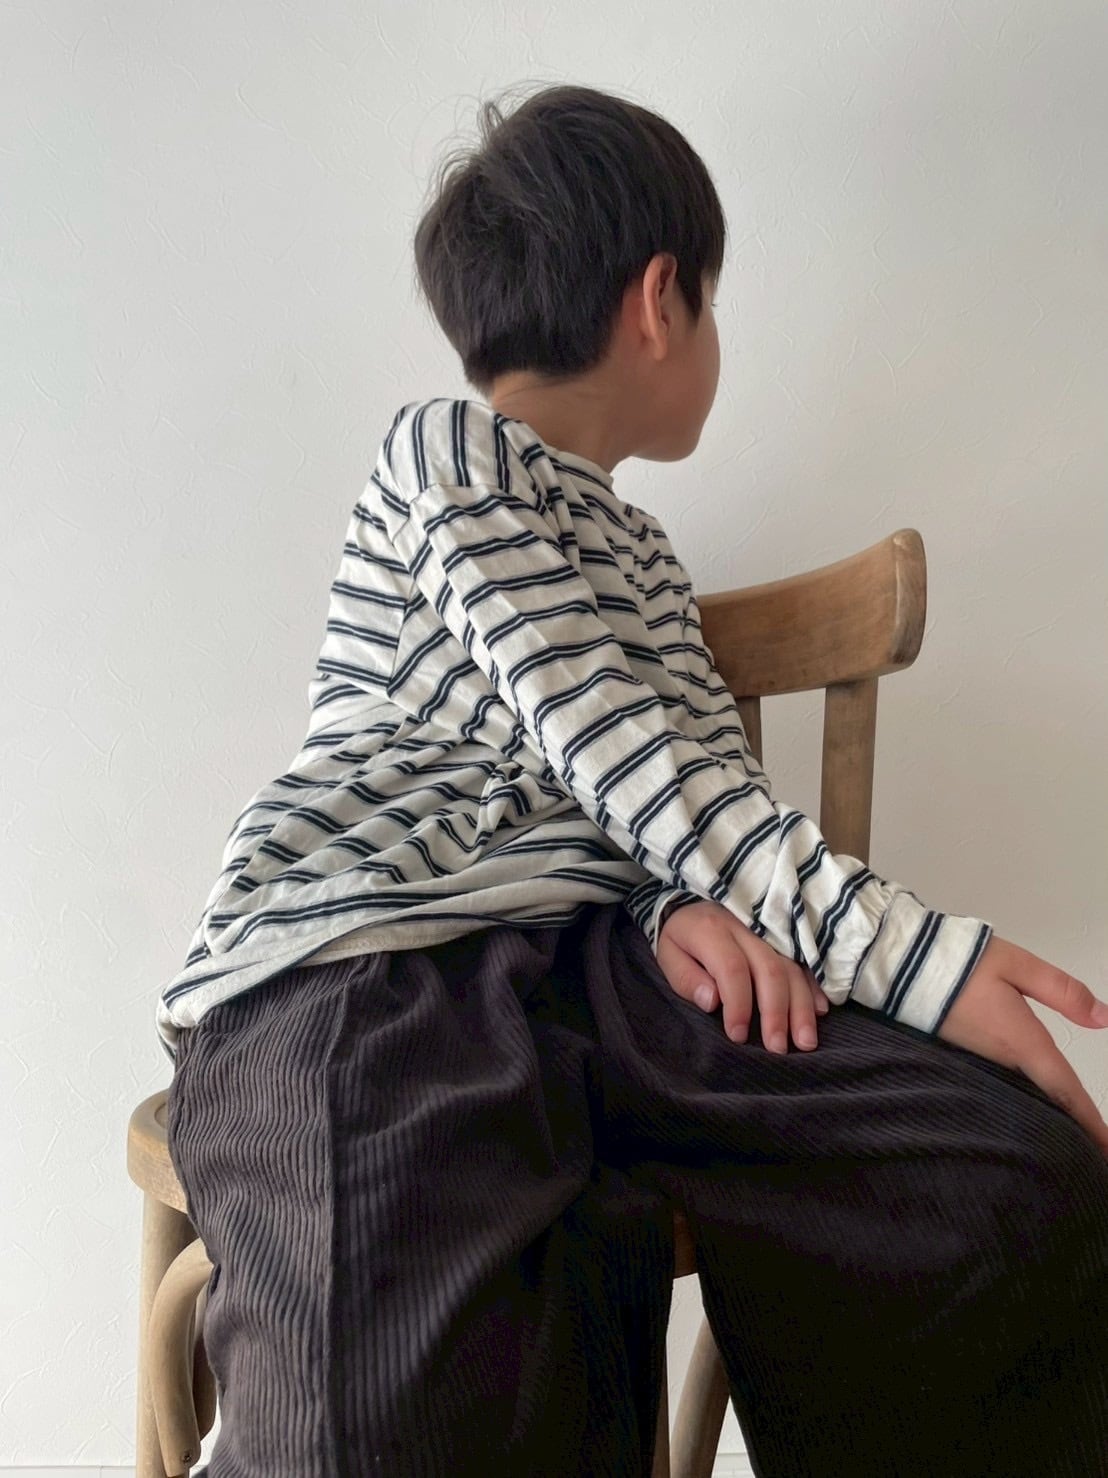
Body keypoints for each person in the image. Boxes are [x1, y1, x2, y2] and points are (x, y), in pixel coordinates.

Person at [161, 82, 1108, 1477]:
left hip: (597, 957)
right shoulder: (444, 453)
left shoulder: (650, 558)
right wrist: (920, 959)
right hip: (382, 946)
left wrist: (670, 903)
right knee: (390, 1373)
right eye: (715, 302)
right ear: (663, 299)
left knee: (996, 1174)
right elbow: (613, 743)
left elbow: (686, 784)